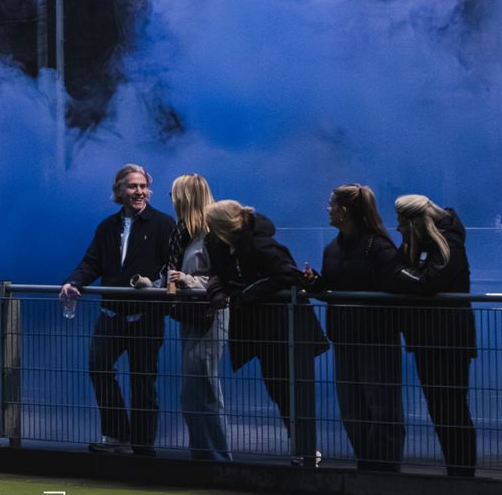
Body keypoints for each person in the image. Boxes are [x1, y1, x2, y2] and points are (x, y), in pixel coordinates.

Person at [59, 164, 174, 454]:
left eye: (143, 186)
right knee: (98, 368)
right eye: (133, 186)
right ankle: (117, 436)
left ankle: (143, 448)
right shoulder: (106, 227)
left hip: (146, 317)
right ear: (119, 191)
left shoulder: (164, 225)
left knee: (143, 383)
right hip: (111, 315)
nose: (139, 192)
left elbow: (171, 267)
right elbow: (91, 263)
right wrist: (73, 282)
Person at [205, 198, 328, 466]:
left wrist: (247, 294)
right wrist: (224, 290)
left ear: (223, 226)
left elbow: (289, 275)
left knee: (290, 390)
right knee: (280, 389)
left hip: (287, 329)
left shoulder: (261, 244)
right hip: (266, 330)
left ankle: (306, 449)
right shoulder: (227, 246)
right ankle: (301, 447)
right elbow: (220, 274)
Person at [302, 185, 404, 473]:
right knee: (352, 410)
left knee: (382, 407)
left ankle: (383, 470)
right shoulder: (333, 248)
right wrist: (316, 284)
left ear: (345, 211)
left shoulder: (378, 246)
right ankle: (368, 465)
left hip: (375, 337)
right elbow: (335, 287)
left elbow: (393, 286)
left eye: (331, 204)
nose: (328, 209)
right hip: (345, 338)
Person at [384, 193, 477, 478]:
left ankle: (461, 473)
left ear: (415, 222)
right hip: (429, 339)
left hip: (448, 340)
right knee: (442, 410)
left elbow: (427, 283)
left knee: (451, 410)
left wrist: (400, 271)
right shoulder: (430, 243)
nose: (397, 228)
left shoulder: (449, 243)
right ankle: (458, 471)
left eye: (401, 222)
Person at [161, 173, 230, 462]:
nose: (172, 200)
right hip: (192, 316)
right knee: (192, 392)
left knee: (204, 388)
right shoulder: (186, 233)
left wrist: (189, 280)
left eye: (175, 194)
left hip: (211, 316)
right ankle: (202, 456)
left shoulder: (214, 234)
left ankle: (219, 459)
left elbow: (225, 279)